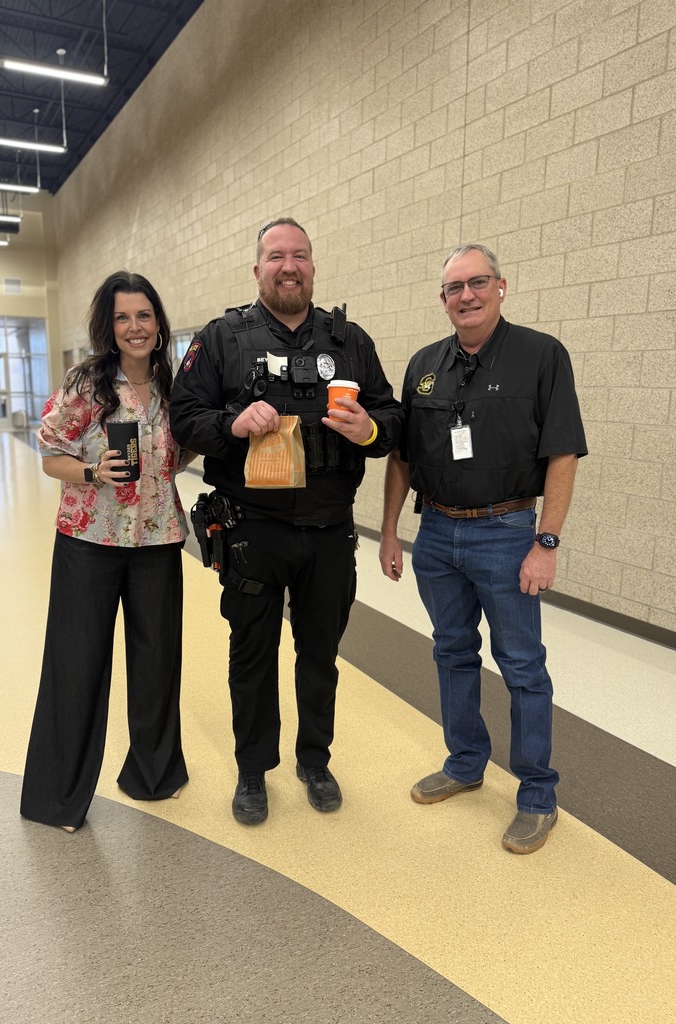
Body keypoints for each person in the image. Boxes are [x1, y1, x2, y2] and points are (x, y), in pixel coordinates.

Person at [170, 218, 403, 825]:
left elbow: (393, 419)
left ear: (313, 267)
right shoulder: (222, 338)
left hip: (328, 532)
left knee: (320, 653)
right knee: (252, 653)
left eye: (299, 256)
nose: (289, 266)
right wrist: (231, 425)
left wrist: (370, 429)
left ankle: (315, 760)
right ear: (257, 270)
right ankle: (253, 771)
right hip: (250, 529)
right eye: (276, 256)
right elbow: (183, 418)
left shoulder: (349, 340)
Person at [379, 243, 587, 855]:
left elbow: (563, 453)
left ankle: (537, 794)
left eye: (477, 283)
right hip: (437, 535)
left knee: (522, 665)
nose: (465, 296)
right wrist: (391, 531)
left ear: (501, 287)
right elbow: (403, 458)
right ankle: (466, 761)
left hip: (507, 532)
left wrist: (544, 541)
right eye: (453, 288)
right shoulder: (425, 365)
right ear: (441, 299)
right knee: (451, 650)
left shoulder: (541, 356)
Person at [20, 270, 190, 831]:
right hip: (88, 542)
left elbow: (179, 453)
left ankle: (153, 774)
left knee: (157, 664)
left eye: (144, 315)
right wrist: (93, 471)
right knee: (76, 664)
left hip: (158, 541)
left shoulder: (173, 386)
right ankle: (59, 797)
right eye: (123, 317)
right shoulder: (87, 384)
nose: (135, 327)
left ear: (159, 324)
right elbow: (50, 455)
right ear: (109, 326)